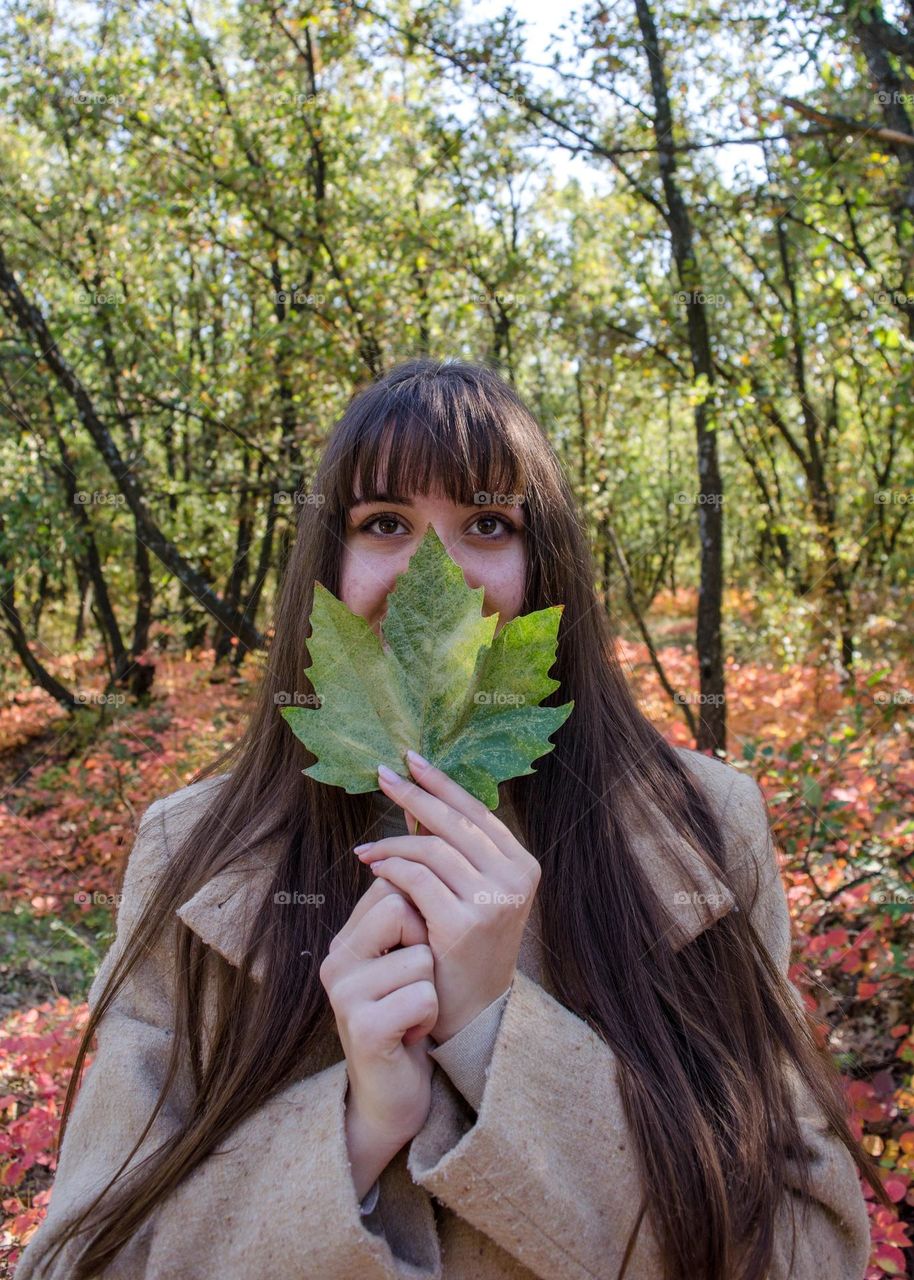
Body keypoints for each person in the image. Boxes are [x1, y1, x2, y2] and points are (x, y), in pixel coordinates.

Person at [15, 358, 885, 1280]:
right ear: (327, 562)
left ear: (543, 566)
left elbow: (809, 1251)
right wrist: (353, 1134)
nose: (436, 568)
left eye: (487, 523)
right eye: (384, 523)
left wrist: (494, 1030)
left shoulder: (704, 828)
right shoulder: (192, 851)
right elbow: (78, 1259)